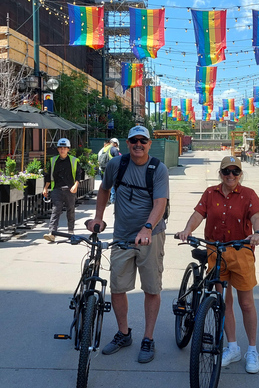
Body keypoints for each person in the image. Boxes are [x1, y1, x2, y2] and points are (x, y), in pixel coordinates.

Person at [88, 126, 169, 364]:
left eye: (143, 140)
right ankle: (124, 333)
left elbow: (160, 204)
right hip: (122, 235)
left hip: (150, 236)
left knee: (151, 288)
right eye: (134, 140)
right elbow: (104, 190)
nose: (138, 144)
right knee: (118, 287)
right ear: (127, 143)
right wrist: (98, 217)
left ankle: (148, 338)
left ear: (149, 143)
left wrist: (147, 228)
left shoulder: (158, 169)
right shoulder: (117, 164)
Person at [177, 156, 259, 374]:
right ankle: (232, 347)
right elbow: (198, 214)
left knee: (246, 303)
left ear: (240, 174)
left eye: (235, 172)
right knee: (223, 302)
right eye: (227, 172)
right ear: (221, 173)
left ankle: (252, 350)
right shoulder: (210, 193)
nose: (231, 176)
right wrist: (188, 230)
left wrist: (257, 233)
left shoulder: (248, 194)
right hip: (216, 252)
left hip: (240, 252)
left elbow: (256, 216)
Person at [42, 138, 82, 241]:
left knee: (70, 211)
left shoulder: (74, 161)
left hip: (70, 190)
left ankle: (70, 232)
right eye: (60, 148)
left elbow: (79, 175)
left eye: (64, 148)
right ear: (58, 149)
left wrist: (75, 185)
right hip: (57, 189)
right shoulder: (53, 160)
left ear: (68, 149)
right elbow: (49, 175)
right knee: (56, 210)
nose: (62, 150)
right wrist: (46, 188)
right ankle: (52, 233)